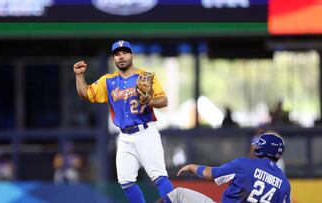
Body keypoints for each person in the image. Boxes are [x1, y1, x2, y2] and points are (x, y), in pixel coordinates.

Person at [73, 40, 173, 203]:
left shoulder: (145, 76)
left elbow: (164, 100)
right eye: (117, 54)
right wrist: (79, 75)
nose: (121, 57)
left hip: (146, 132)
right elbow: (85, 93)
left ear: (131, 55)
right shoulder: (108, 81)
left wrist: (149, 101)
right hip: (125, 136)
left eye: (124, 53)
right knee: (125, 181)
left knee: (159, 177)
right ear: (113, 59)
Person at [156, 131, 291, 203]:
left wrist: (192, 167)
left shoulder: (244, 165)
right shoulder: (284, 183)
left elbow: (209, 174)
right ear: (279, 155)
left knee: (178, 194)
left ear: (261, 148)